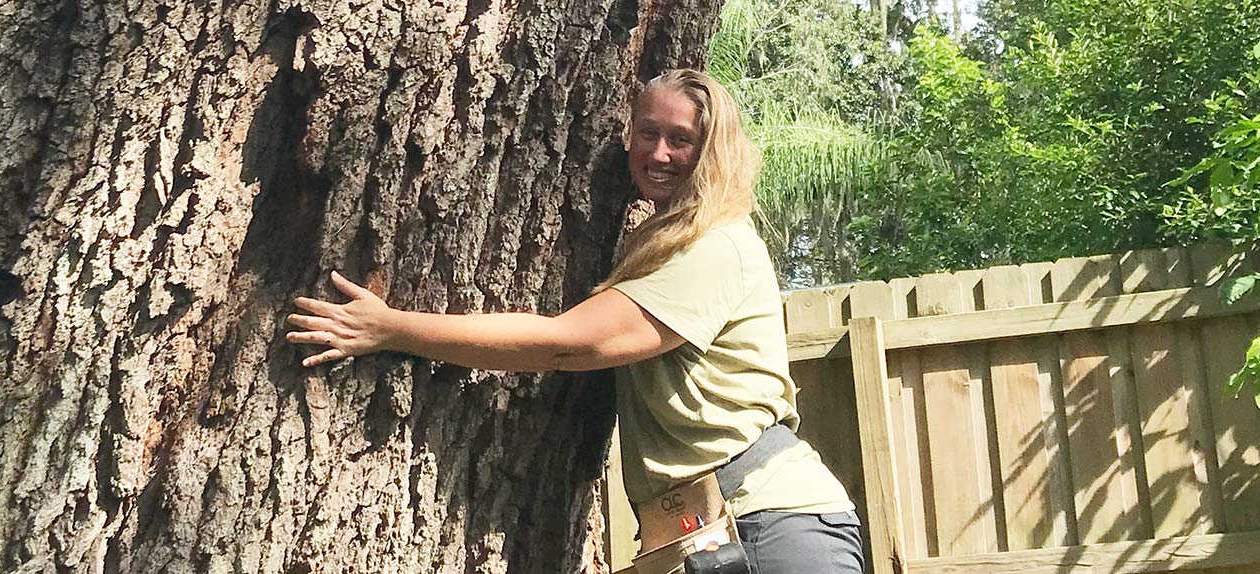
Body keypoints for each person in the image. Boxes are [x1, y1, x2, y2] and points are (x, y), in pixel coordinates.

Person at [286, 69, 864, 573]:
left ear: (713, 151)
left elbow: (568, 344)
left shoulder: (714, 248)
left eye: (682, 140)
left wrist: (392, 329)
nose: (659, 153)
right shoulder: (673, 244)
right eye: (647, 133)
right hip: (713, 532)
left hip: (767, 524)